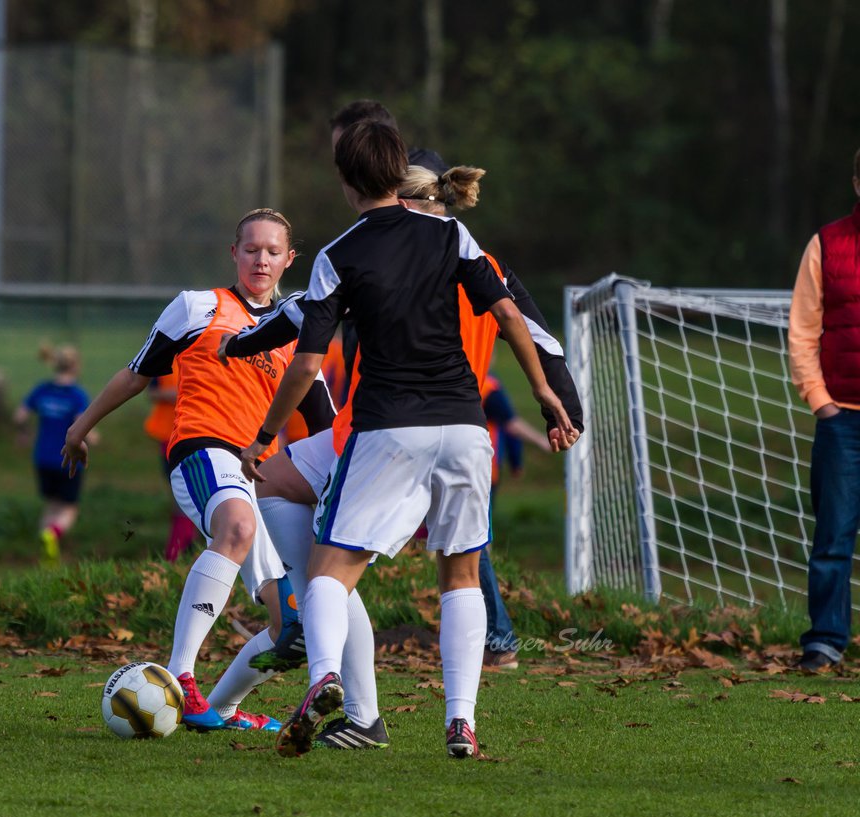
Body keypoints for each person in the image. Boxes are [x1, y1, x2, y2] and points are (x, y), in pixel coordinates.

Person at [240, 121, 577, 760]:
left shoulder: (340, 255)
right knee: (461, 574)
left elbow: (307, 366)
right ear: (399, 175)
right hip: (464, 429)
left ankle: (324, 682)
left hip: (389, 427)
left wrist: (261, 437)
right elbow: (508, 313)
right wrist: (545, 392)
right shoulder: (451, 232)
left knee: (330, 571)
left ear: (345, 182)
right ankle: (460, 723)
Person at [62, 209, 335, 732]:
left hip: (259, 473)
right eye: (251, 248)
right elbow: (137, 373)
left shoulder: (301, 332)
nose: (261, 259)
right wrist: (80, 427)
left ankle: (221, 708)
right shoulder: (199, 306)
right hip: (202, 450)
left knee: (292, 630)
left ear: (289, 260)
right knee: (235, 525)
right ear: (233, 253)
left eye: (273, 251)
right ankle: (180, 676)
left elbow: (327, 424)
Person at [792, 146, 860, 673]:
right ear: (857, 184)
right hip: (843, 420)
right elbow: (803, 331)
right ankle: (826, 641)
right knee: (833, 536)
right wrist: (822, 403)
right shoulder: (827, 244)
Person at [15, 345, 93, 560]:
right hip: (68, 459)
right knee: (69, 508)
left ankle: (46, 554)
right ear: (76, 366)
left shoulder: (42, 390)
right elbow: (81, 424)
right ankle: (53, 535)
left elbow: (19, 416)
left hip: (42, 458)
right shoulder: (77, 395)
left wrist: (24, 435)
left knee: (51, 505)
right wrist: (94, 438)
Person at [142, 365, 198, 561]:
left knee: (189, 497)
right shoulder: (167, 360)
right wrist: (175, 394)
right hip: (170, 437)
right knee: (183, 496)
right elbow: (151, 392)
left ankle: (179, 550)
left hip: (195, 435)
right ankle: (177, 552)